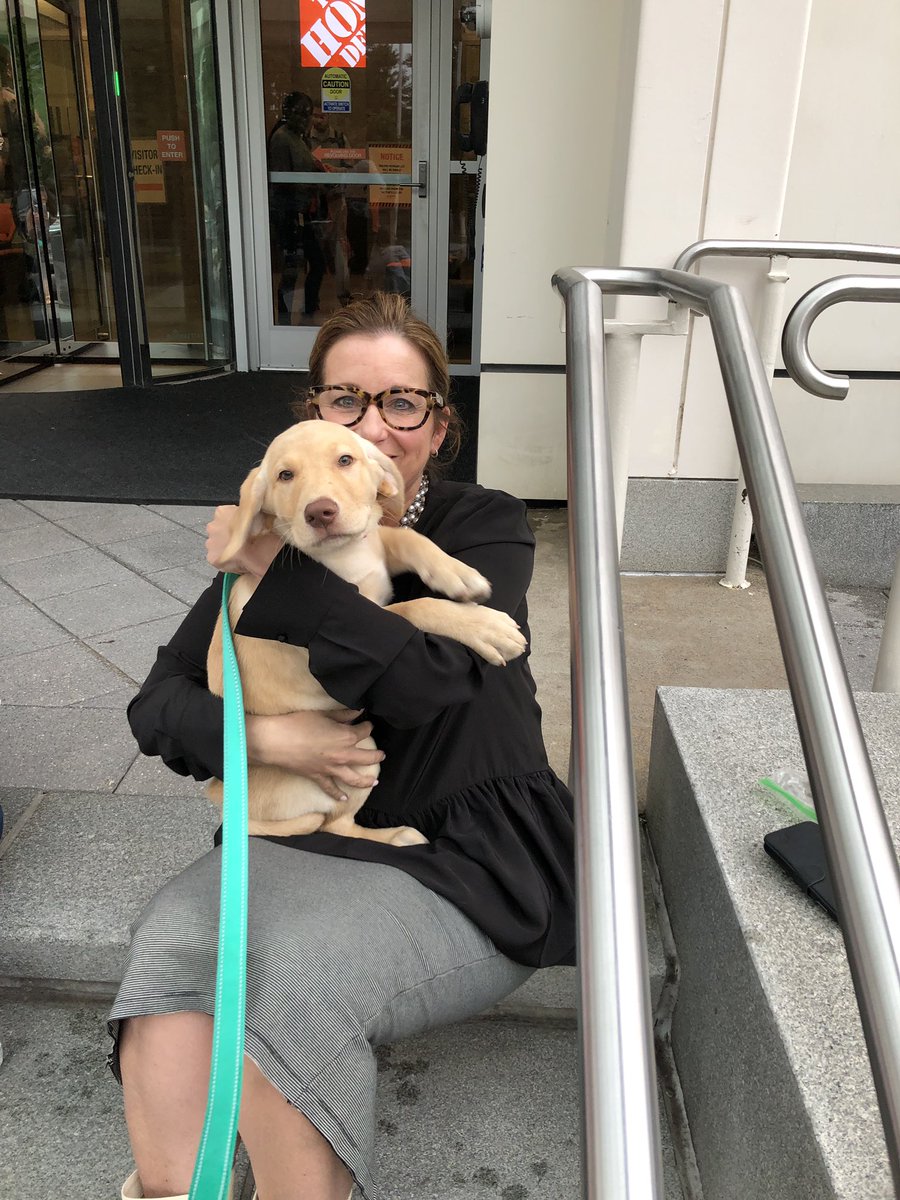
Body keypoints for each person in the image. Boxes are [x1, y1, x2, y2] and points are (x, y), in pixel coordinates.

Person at [110, 293, 576, 1200]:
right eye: (345, 400)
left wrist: (273, 574)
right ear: (314, 413)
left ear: (438, 426)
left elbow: (427, 686)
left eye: (403, 402)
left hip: (462, 851)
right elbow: (156, 706)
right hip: (297, 829)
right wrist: (269, 734)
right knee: (168, 943)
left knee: (290, 984)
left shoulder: (484, 526)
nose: (375, 425)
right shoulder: (279, 518)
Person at [268, 92, 327, 321]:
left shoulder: (299, 138)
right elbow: (283, 181)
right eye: (299, 112)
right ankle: (283, 321)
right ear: (287, 113)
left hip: (304, 212)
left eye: (308, 113)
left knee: (318, 264)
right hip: (289, 213)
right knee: (291, 270)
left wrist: (321, 172)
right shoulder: (282, 139)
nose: (305, 118)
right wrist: (313, 183)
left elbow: (306, 168)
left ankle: (309, 311)